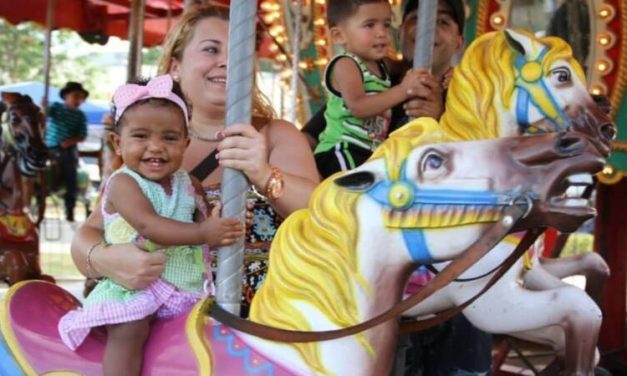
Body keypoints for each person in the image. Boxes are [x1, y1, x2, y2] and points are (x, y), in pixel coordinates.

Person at [70, 5, 319, 319]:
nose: (227, 61)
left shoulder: (276, 136)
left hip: (263, 315)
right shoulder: (149, 149)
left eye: (240, 52)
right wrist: (106, 259)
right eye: (211, 49)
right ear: (176, 66)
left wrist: (264, 174)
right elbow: (90, 232)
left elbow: (322, 215)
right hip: (166, 314)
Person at [59, 75, 245, 375]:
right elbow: (149, 225)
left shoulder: (189, 184)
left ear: (186, 143)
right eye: (141, 136)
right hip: (135, 287)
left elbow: (205, 222)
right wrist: (203, 232)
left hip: (182, 284)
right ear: (118, 143)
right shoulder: (123, 183)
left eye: (169, 138)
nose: (155, 147)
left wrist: (219, 226)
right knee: (129, 331)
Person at [313, 0, 423, 178]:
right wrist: (404, 90)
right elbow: (358, 107)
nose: (382, 33)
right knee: (351, 195)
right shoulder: (346, 64)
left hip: (370, 150)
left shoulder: (382, 65)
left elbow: (406, 66)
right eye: (369, 25)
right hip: (343, 147)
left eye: (386, 25)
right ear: (339, 35)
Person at [45, 81, 89, 222]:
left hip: (67, 148)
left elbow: (82, 135)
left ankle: (69, 209)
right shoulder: (56, 108)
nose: (78, 100)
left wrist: (70, 141)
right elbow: (45, 114)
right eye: (75, 96)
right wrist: (44, 106)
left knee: (71, 174)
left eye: (81, 98)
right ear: (66, 96)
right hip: (49, 146)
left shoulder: (80, 116)